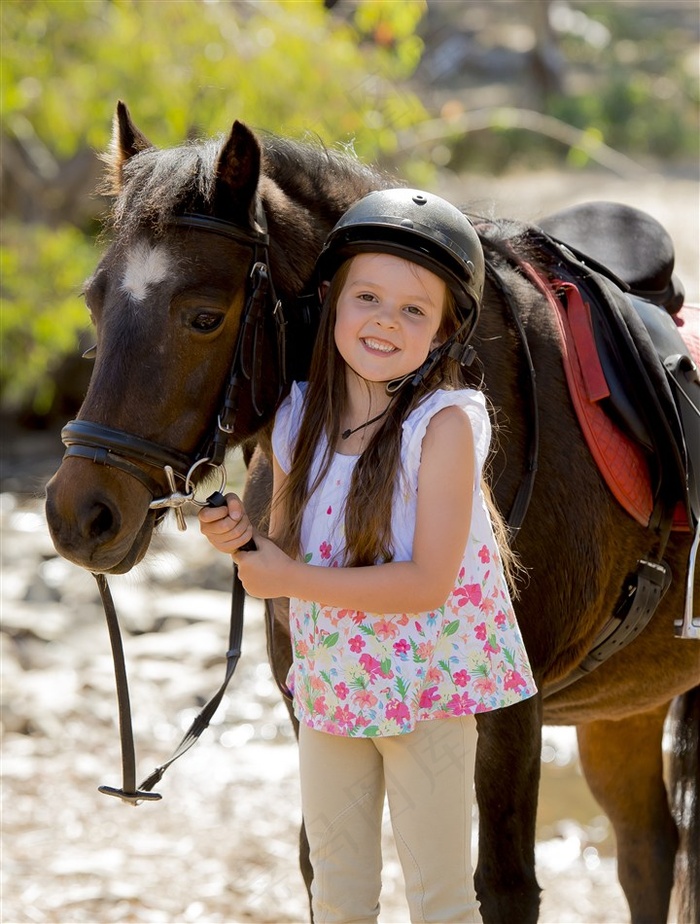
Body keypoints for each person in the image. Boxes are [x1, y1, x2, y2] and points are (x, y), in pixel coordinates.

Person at [199, 188, 537, 924]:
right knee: (339, 890)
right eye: (369, 297)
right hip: (330, 689)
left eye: (415, 310)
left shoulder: (441, 426)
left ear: (447, 332)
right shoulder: (297, 419)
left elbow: (426, 584)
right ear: (331, 301)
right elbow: (282, 557)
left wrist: (285, 575)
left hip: (426, 694)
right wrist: (242, 542)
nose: (386, 320)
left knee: (441, 896)